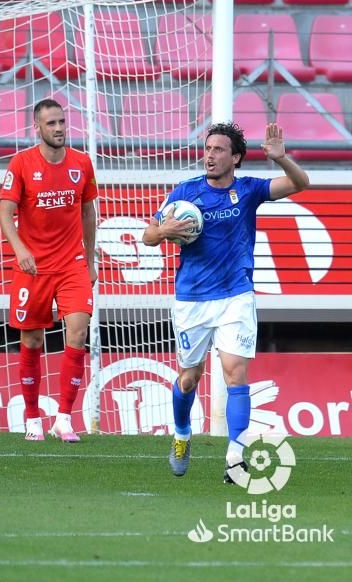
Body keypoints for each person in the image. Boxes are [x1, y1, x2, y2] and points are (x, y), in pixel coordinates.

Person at [143, 122, 309, 483]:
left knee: (235, 372)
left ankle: (235, 459)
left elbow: (300, 183)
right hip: (192, 299)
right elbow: (148, 237)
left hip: (236, 295)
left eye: (218, 150)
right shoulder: (185, 195)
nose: (210, 155)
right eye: (207, 148)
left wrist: (282, 160)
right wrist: (163, 231)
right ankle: (183, 434)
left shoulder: (249, 190)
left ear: (235, 158)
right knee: (188, 379)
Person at [0, 98, 98, 443]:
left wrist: (91, 260)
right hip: (33, 267)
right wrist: (21, 250)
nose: (59, 128)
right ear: (37, 128)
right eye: (51, 123)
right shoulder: (22, 164)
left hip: (72, 264)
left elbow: (88, 213)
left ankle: (64, 418)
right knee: (32, 340)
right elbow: (5, 212)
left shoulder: (81, 164)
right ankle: (31, 417)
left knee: (78, 333)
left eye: (62, 122)